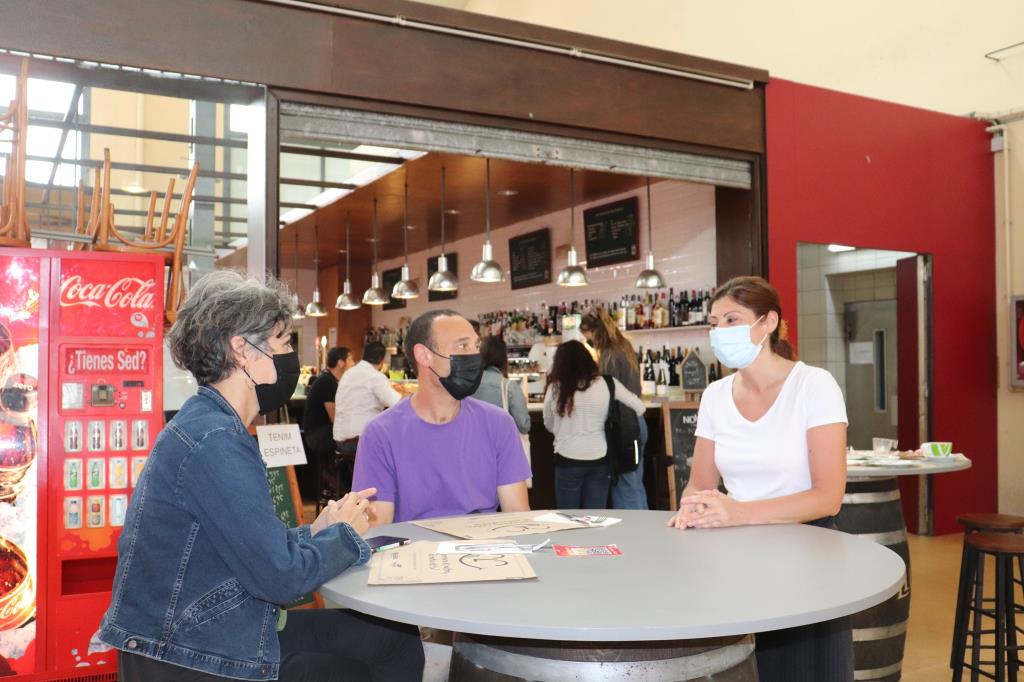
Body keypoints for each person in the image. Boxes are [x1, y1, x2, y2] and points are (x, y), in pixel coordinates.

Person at [98, 271, 423, 681]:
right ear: (241, 350)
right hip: (191, 654)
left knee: (393, 639)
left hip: (197, 633)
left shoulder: (208, 425)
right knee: (365, 659)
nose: (291, 358)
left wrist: (319, 529)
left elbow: (248, 547)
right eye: (284, 343)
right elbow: (283, 581)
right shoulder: (215, 441)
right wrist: (344, 535)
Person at [666, 275, 850, 682]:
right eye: (714, 323)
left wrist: (739, 512)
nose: (720, 332)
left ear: (767, 323)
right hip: (737, 559)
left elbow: (828, 497)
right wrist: (694, 504)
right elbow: (699, 482)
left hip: (809, 554)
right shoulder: (715, 395)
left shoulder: (813, 386)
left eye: (732, 320)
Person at [353, 309, 531, 524]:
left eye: (476, 347)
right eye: (462, 346)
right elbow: (376, 527)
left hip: (483, 551)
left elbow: (518, 515)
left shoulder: (499, 423)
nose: (474, 357)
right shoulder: (380, 433)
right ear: (424, 356)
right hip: (412, 552)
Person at [542, 340, 645, 510]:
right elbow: (639, 407)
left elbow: (548, 423)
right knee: (596, 518)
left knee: (568, 519)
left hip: (567, 458)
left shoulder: (555, 388)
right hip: (600, 459)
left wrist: (563, 430)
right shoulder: (607, 383)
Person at [579, 307, 648, 509]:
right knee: (635, 483)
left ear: (594, 332)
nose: (588, 341)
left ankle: (633, 534)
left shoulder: (609, 356)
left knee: (625, 485)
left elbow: (606, 394)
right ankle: (645, 530)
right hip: (637, 422)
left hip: (623, 427)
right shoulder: (624, 346)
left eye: (587, 336)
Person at [332, 341, 400, 456]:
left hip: (339, 441)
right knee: (397, 445)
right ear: (382, 361)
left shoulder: (348, 374)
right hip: (358, 442)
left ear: (363, 356)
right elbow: (398, 404)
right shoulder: (376, 377)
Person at [302, 346, 352, 501]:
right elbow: (334, 418)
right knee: (351, 449)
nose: (353, 363)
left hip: (318, 432)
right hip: (318, 436)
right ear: (341, 363)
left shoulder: (327, 379)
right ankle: (343, 491)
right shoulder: (328, 383)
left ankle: (342, 490)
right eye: (351, 359)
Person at [472, 335, 531, 435]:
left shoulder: (470, 384)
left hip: (475, 443)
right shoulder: (510, 387)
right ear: (504, 357)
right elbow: (524, 426)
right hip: (501, 445)